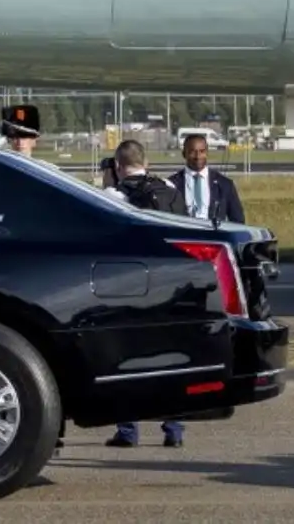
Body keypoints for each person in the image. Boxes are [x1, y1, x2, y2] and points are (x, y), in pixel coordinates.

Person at [104, 140, 188, 448]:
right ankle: (174, 428)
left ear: (117, 166)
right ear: (147, 162)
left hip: (131, 286)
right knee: (171, 358)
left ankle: (128, 430)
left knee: (127, 359)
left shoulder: (114, 195)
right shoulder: (170, 190)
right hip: (171, 284)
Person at [170, 134, 246, 224]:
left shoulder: (225, 184)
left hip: (214, 237)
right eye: (192, 152)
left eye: (202, 151)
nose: (198, 156)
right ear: (184, 154)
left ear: (207, 153)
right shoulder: (171, 185)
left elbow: (238, 221)